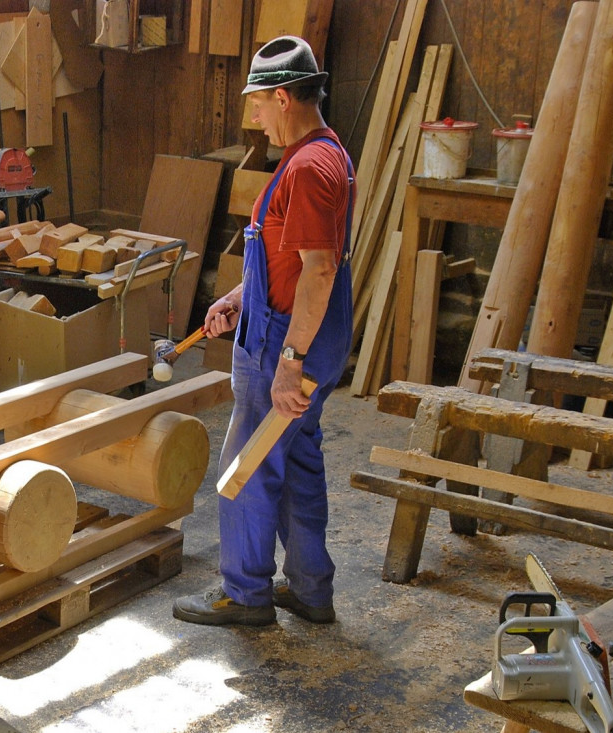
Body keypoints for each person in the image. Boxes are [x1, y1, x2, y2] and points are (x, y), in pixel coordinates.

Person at [172, 36, 355, 627]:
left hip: (288, 339)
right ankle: (309, 589)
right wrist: (234, 299)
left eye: (256, 103)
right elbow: (286, 259)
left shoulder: (307, 168)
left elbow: (319, 270)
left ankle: (245, 593)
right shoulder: (325, 154)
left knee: (247, 466)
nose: (252, 117)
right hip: (296, 328)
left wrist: (288, 360)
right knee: (298, 460)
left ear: (282, 96)